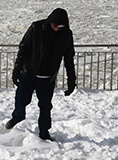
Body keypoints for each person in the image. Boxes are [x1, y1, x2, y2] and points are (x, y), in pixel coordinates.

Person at [5, 8, 76, 141]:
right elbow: (23, 48)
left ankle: (44, 132)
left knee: (45, 106)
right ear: (50, 22)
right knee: (21, 99)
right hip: (30, 73)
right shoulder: (36, 28)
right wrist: (17, 69)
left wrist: (71, 81)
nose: (56, 28)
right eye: (54, 25)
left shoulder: (66, 35)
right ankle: (18, 116)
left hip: (47, 78)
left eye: (60, 27)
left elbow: (69, 58)